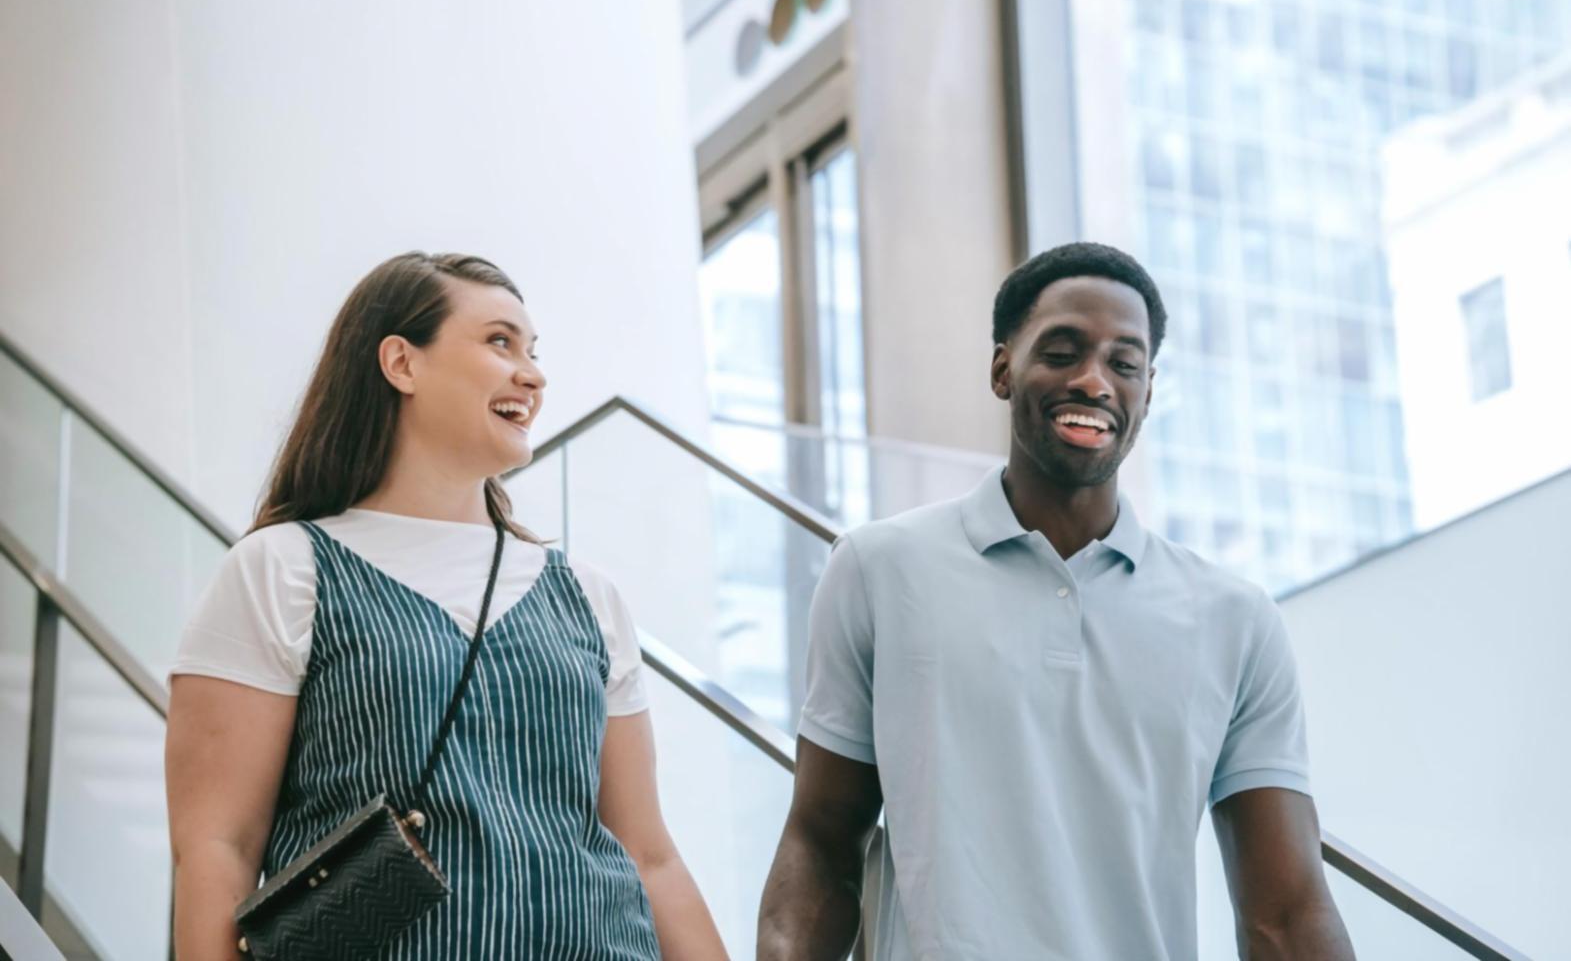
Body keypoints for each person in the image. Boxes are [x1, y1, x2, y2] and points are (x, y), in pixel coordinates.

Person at [757, 242, 1354, 960]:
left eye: (1123, 363)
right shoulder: (878, 569)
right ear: (1002, 368)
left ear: (1148, 390)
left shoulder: (1235, 619)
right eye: (1062, 351)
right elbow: (820, 842)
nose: (1093, 381)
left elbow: (1284, 913)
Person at [165, 251, 728, 960]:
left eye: (533, 351)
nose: (533, 373)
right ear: (401, 363)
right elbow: (218, 845)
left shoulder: (584, 594)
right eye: (499, 342)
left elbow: (648, 854)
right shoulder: (284, 568)